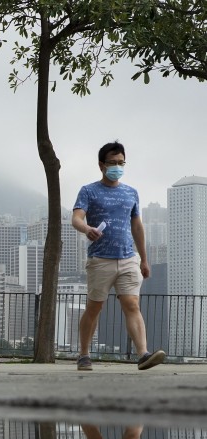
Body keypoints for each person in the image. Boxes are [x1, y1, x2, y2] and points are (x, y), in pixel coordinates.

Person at [72, 141, 166, 371]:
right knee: (95, 308)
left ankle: (143, 354)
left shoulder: (131, 192)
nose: (117, 166)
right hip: (100, 259)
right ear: (101, 165)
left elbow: (137, 226)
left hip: (128, 258)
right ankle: (84, 354)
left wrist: (144, 258)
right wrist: (87, 229)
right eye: (112, 163)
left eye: (121, 163)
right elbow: (76, 218)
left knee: (132, 304)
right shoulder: (88, 190)